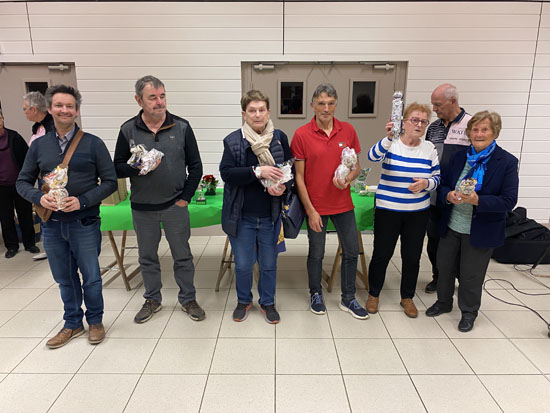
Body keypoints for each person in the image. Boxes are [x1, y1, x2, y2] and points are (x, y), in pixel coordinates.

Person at [17, 84, 117, 348]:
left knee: (91, 277)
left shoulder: (93, 143)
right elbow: (22, 182)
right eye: (59, 105)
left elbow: (110, 182)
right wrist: (39, 198)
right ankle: (72, 323)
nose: (65, 110)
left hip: (84, 223)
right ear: (49, 109)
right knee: (64, 278)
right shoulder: (39, 146)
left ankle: (95, 321)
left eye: (70, 106)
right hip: (51, 225)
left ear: (77, 110)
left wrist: (82, 201)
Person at [114, 75, 205, 323]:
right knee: (147, 258)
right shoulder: (128, 130)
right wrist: (138, 167)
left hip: (175, 205)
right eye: (152, 97)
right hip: (142, 209)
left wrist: (185, 198)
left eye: (162, 96)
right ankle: (152, 299)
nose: (159, 102)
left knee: (182, 256)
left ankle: (188, 299)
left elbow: (196, 166)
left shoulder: (182, 127)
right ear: (139, 100)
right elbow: (117, 168)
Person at [426, 111, 518, 332]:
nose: (479, 134)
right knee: (444, 267)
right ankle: (443, 302)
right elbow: (443, 184)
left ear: (495, 132)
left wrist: (478, 201)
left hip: (481, 229)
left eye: (484, 130)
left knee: (470, 275)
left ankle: (468, 312)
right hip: (451, 224)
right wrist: (447, 195)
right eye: (475, 129)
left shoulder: (506, 162)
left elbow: (509, 200)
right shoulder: (459, 157)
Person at [291, 83, 368, 319]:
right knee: (317, 252)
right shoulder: (301, 135)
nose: (326, 108)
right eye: (321, 103)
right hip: (316, 206)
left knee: (352, 251)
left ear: (336, 105)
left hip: (343, 204)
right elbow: (299, 177)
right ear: (312, 105)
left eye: (331, 103)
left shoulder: (348, 131)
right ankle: (315, 293)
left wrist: (348, 179)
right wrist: (310, 211)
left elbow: (356, 168)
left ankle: (348, 298)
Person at [220, 90, 291, 324]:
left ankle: (268, 302)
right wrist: (257, 171)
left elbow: (288, 171)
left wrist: (282, 187)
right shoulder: (233, 141)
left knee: (269, 265)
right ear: (244, 114)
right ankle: (243, 301)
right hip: (242, 216)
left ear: (268, 112)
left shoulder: (279, 138)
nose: (257, 114)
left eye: (261, 110)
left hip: (270, 215)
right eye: (252, 110)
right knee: (243, 265)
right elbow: (227, 174)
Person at [366, 103, 440, 318]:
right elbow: (372, 157)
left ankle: (407, 297)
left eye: (423, 121)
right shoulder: (392, 143)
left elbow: (437, 177)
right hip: (388, 210)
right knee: (381, 254)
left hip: (417, 212)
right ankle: (373, 294)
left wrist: (426, 184)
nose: (419, 125)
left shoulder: (429, 148)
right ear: (404, 122)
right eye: (414, 120)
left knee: (412, 257)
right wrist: (388, 138)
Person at [424, 84, 472, 293]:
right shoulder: (433, 128)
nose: (434, 109)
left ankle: (461, 279)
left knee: (457, 243)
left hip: (460, 199)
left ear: (453, 101)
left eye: (438, 105)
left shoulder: (471, 125)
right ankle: (439, 277)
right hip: (436, 195)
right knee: (434, 240)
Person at [0, 109, 40, 258]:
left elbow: (27, 159)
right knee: (6, 217)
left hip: (20, 184)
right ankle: (11, 246)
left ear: (3, 119)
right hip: (1, 187)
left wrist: (29, 179)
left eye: (0, 118)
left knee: (25, 214)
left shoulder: (14, 137)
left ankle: (30, 243)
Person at [23, 91, 55, 260]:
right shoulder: (37, 127)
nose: (24, 112)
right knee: (43, 210)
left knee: (51, 212)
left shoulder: (52, 125)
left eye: (25, 109)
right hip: (40, 177)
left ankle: (53, 247)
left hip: (52, 178)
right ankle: (49, 247)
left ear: (34, 109)